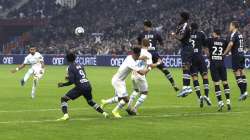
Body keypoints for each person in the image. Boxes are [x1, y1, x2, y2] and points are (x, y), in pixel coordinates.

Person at [57, 52, 109, 121]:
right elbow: (81, 75)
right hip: (87, 85)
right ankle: (104, 113)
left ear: (67, 60)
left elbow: (71, 81)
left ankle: (65, 115)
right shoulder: (80, 65)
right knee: (90, 101)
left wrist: (63, 84)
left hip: (80, 87)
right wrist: (70, 78)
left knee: (63, 99)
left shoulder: (70, 67)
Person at [101, 47, 150, 118]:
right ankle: (115, 111)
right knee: (126, 99)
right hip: (117, 81)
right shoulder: (132, 63)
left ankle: (105, 102)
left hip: (120, 80)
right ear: (137, 54)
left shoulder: (129, 56)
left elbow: (137, 58)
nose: (139, 56)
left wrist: (142, 58)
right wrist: (149, 67)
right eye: (139, 55)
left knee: (121, 99)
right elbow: (142, 73)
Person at [137, 20, 179, 92]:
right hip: (155, 54)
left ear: (145, 26)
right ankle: (174, 84)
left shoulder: (141, 34)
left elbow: (139, 45)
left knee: (144, 72)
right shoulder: (156, 33)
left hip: (146, 55)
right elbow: (162, 44)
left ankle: (140, 88)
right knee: (164, 70)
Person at [126, 39, 162, 115]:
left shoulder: (138, 51)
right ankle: (134, 109)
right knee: (145, 93)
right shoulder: (148, 54)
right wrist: (158, 63)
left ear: (142, 44)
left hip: (133, 74)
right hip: (140, 74)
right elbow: (151, 66)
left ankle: (129, 106)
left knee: (136, 90)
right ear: (149, 46)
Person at [205, 29, 231, 111]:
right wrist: (224, 54)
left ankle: (220, 103)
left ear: (214, 33)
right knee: (225, 82)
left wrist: (208, 55)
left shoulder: (210, 40)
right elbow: (229, 47)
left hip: (214, 64)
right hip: (222, 64)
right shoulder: (224, 41)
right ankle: (228, 102)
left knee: (216, 84)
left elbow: (205, 47)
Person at [223, 21, 248, 101]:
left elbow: (230, 44)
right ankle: (244, 92)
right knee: (242, 72)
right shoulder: (240, 34)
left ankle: (243, 92)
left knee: (236, 73)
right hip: (241, 54)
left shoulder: (234, 34)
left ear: (234, 26)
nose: (229, 27)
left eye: (230, 25)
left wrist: (225, 53)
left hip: (236, 56)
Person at [189, 23, 211, 107]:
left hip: (191, 58)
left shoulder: (188, 34)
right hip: (199, 57)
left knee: (195, 78)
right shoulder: (201, 33)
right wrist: (208, 56)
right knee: (205, 76)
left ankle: (199, 97)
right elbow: (205, 47)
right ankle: (206, 95)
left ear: (191, 28)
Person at [171, 12, 193, 97]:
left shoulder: (185, 25)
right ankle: (186, 87)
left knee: (185, 67)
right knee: (186, 67)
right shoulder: (183, 25)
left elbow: (181, 37)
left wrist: (174, 35)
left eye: (180, 17)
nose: (179, 18)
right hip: (187, 48)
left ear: (183, 17)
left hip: (187, 48)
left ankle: (186, 88)